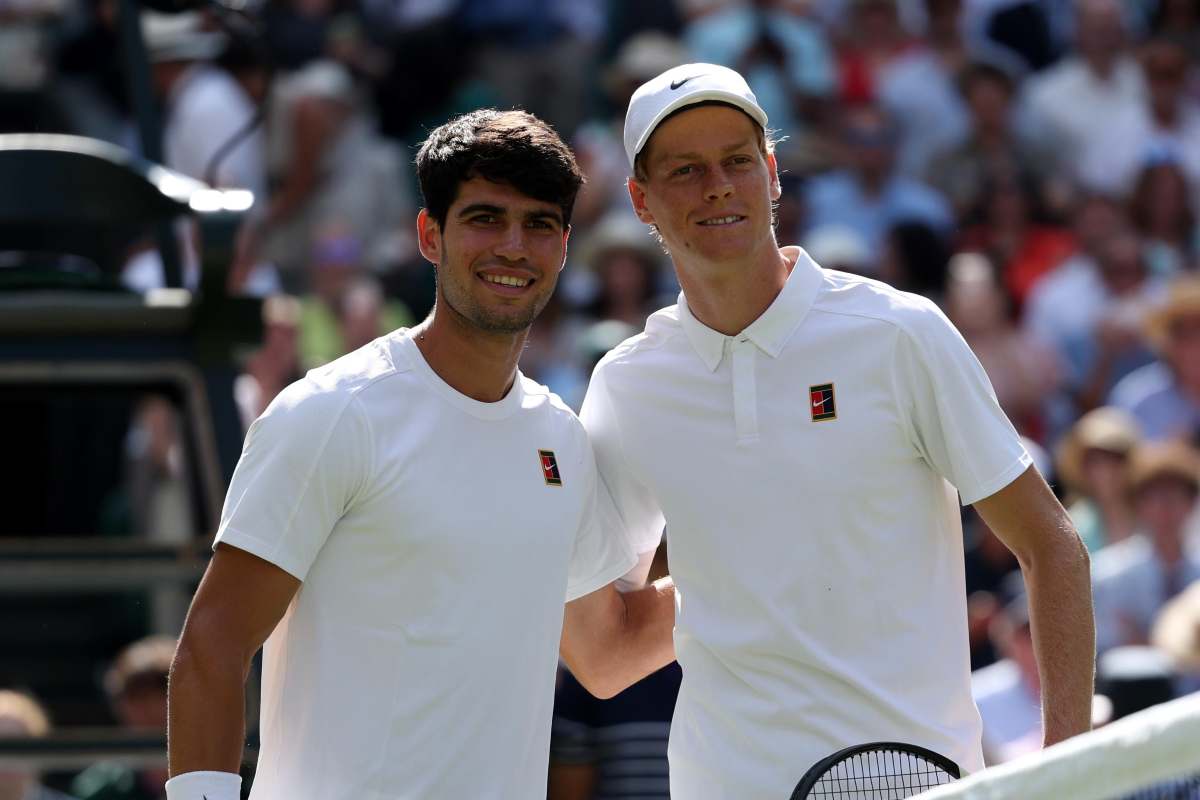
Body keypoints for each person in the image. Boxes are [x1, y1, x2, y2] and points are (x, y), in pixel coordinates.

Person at [581, 62, 1095, 798]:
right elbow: (607, 658)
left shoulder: (900, 334)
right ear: (640, 200)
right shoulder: (627, 385)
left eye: (736, 162)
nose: (718, 186)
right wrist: (733, 575)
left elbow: (1053, 547)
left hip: (921, 785)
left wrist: (1064, 777)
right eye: (686, 170)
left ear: (773, 173)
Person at [165, 109, 676, 800]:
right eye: (486, 218)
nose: (513, 246)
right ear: (429, 236)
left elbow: (607, 654)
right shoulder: (334, 412)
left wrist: (765, 558)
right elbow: (212, 649)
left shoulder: (560, 438)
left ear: (562, 247)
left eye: (539, 224)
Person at [72, 637, 175, 800]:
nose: (152, 707)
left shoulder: (217, 773)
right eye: (138, 696)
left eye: (163, 692)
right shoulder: (100, 788)